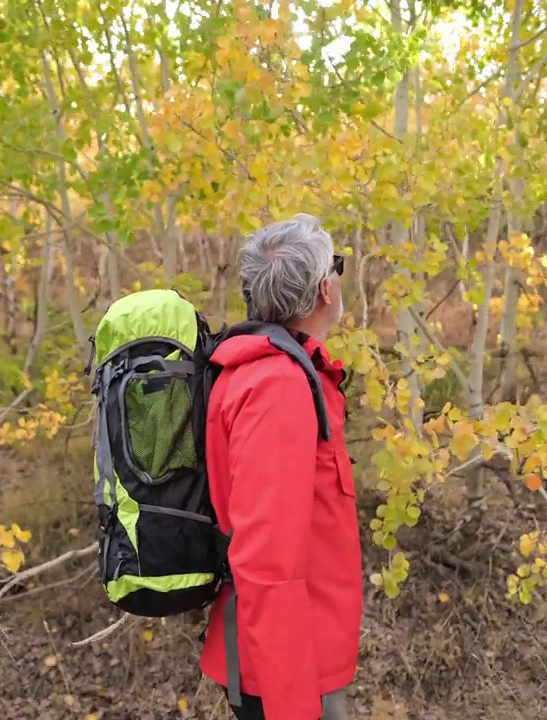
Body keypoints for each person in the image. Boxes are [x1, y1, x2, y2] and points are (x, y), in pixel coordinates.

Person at [199, 214, 363, 720]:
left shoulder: (283, 371)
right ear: (324, 290)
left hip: (301, 652)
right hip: (283, 672)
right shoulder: (277, 387)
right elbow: (266, 559)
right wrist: (291, 705)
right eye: (336, 268)